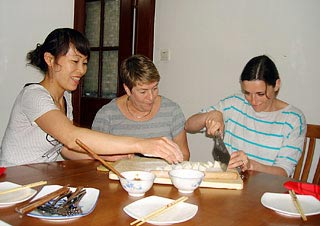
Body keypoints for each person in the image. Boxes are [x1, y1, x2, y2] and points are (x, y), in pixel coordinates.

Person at [0, 28, 183, 167]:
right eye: (75, 62)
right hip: (13, 180)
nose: (81, 70)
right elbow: (72, 137)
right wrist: (141, 145)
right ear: (50, 59)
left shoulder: (65, 99)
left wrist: (105, 156)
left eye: (85, 63)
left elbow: (66, 148)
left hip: (39, 179)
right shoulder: (33, 96)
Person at [185, 55, 306, 177]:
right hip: (231, 185)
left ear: (276, 85)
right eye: (247, 93)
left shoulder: (293, 119)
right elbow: (188, 125)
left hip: (266, 190)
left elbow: (283, 172)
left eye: (260, 94)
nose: (253, 101)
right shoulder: (235, 103)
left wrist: (252, 166)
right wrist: (211, 115)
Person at [92, 54, 190, 161]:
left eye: (155, 88)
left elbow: (184, 155)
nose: (151, 97)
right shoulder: (107, 115)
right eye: (143, 91)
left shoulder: (172, 111)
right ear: (127, 89)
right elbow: (95, 158)